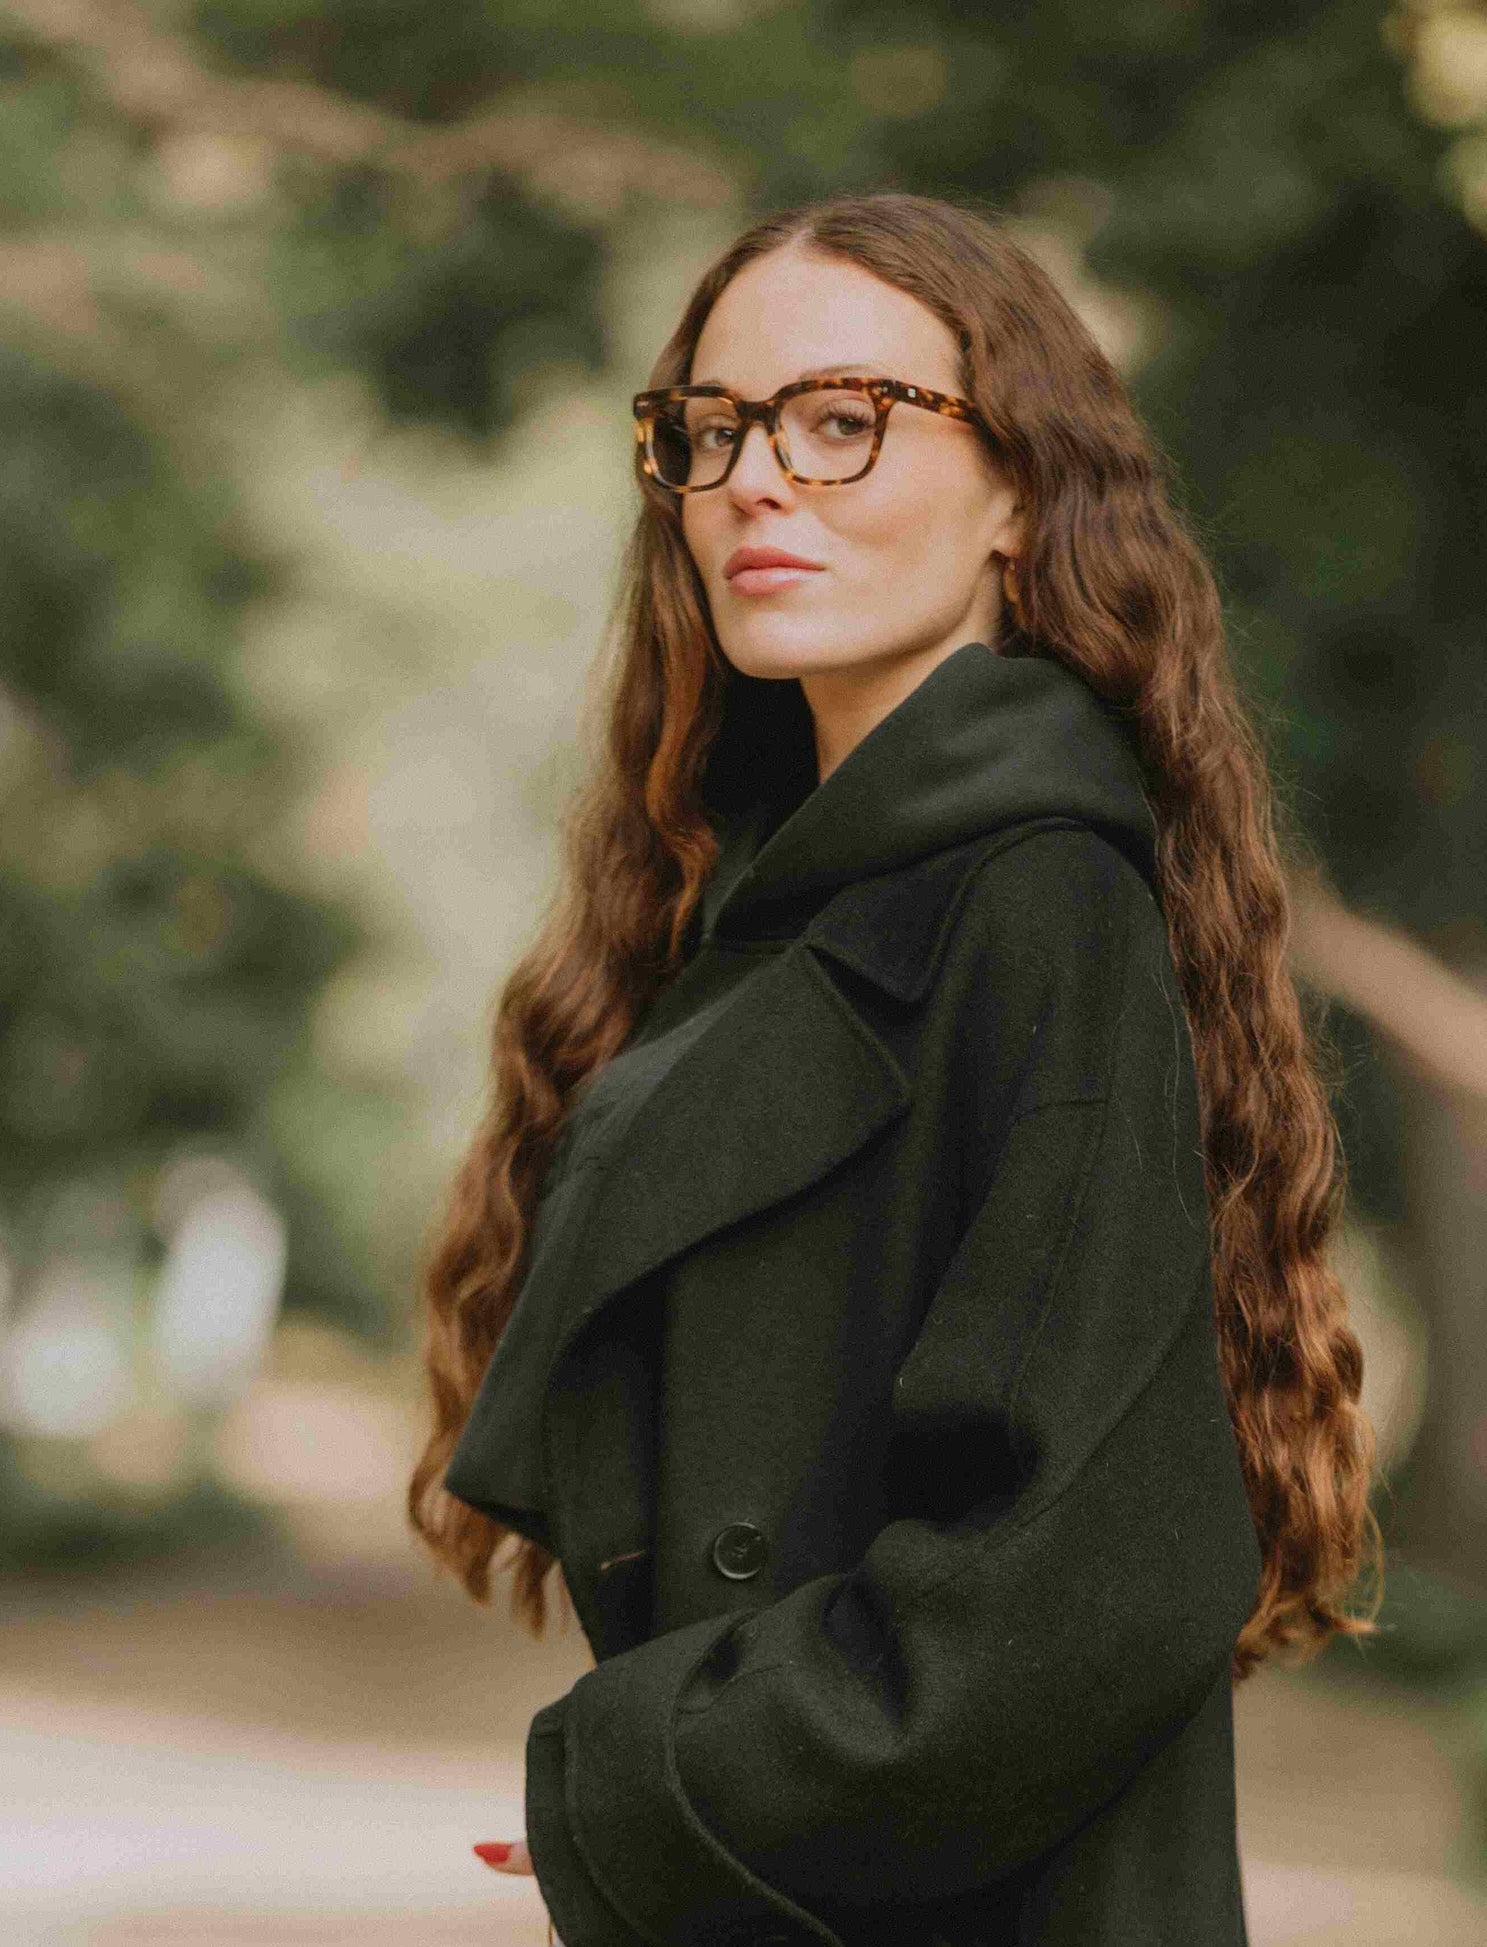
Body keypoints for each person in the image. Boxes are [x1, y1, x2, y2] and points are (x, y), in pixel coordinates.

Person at [407, 190, 1378, 1947]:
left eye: (843, 419)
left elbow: (1095, 1563)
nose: (755, 481)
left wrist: (672, 1781)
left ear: (1020, 489)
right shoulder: (760, 905)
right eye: (713, 428)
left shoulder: (1036, 900)